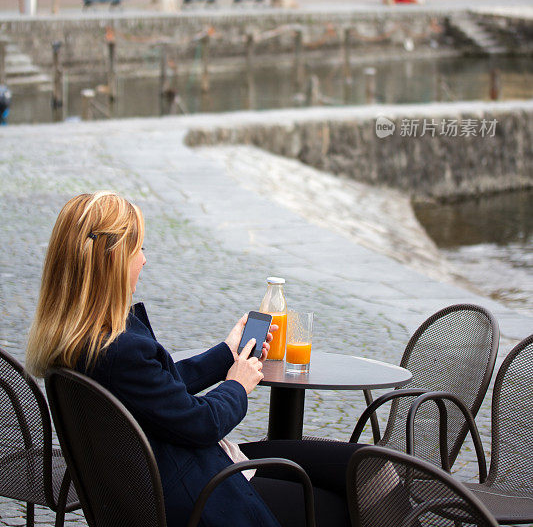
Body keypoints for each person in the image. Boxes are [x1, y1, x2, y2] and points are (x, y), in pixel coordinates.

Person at [27, 192, 362, 527]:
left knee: (354, 465)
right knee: (349, 492)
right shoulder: (119, 350)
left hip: (173, 478)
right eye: (139, 248)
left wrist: (226, 353)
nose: (143, 260)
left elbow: (159, 392)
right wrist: (237, 384)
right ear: (112, 260)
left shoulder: (79, 341)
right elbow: (202, 424)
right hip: (200, 497)